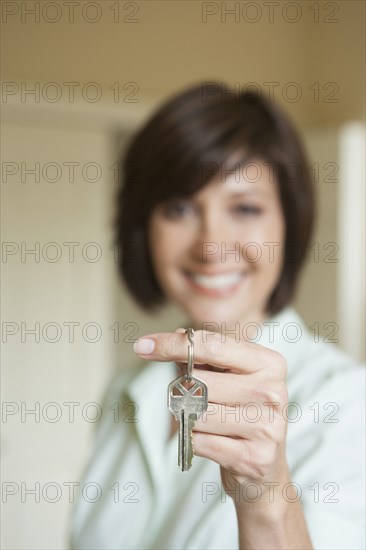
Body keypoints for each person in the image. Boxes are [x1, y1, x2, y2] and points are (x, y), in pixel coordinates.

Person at [68, 82, 365, 549]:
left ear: (290, 223)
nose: (210, 246)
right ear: (144, 227)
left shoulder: (347, 403)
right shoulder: (124, 394)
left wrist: (266, 499)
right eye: (180, 208)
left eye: (245, 208)